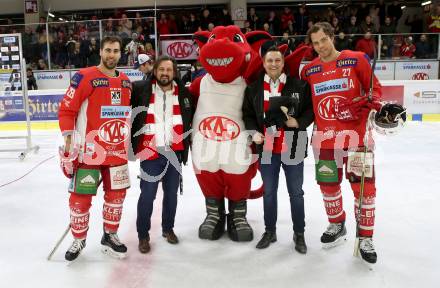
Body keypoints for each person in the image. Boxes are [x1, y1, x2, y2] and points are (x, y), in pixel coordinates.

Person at [301, 22, 383, 264]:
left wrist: (369, 105)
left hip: (357, 137)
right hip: (325, 138)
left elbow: (375, 91)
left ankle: (366, 236)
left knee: (364, 190)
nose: (320, 47)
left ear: (332, 37)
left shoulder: (356, 60)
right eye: (315, 43)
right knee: (328, 185)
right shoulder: (310, 71)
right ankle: (337, 223)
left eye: (323, 40)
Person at [58, 36, 132, 261]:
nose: (111, 55)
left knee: (116, 196)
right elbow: (67, 111)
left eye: (116, 51)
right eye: (108, 50)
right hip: (89, 152)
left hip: (117, 153)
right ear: (100, 51)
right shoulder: (85, 76)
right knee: (80, 199)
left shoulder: (126, 81)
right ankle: (79, 239)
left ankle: (110, 235)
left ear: (121, 53)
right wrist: (70, 147)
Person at [243, 46, 314, 253]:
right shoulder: (253, 88)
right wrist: (253, 132)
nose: (273, 64)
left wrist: (298, 122)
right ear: (264, 63)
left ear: (283, 63)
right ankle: (270, 231)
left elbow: (310, 111)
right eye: (269, 61)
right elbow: (247, 115)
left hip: (294, 146)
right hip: (266, 147)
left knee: (296, 193)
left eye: (277, 60)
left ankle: (299, 233)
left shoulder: (299, 85)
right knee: (269, 192)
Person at [130, 56, 193, 254]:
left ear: (174, 72)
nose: (165, 73)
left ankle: (168, 229)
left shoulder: (184, 93)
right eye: (161, 69)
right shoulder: (140, 89)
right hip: (150, 152)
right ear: (155, 70)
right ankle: (143, 235)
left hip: (174, 152)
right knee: (147, 195)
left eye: (169, 70)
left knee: (171, 196)